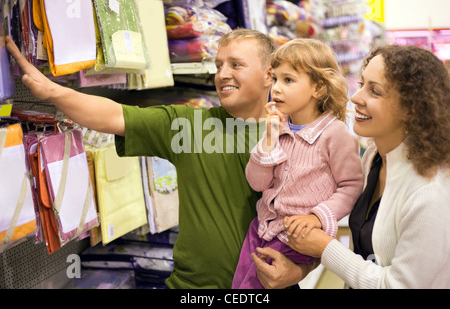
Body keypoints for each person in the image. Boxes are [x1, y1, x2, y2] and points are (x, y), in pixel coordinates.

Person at [6, 29, 313, 288]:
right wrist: (51, 91)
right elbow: (115, 116)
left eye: (236, 64)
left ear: (268, 75)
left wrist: (299, 271)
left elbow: (318, 224)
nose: (222, 74)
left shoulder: (301, 138)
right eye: (219, 64)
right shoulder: (189, 126)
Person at [285, 45, 450, 288]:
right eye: (362, 83)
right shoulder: (374, 156)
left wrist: (324, 247)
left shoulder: (429, 193)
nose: (356, 97)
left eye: (374, 91)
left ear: (410, 108)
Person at [232, 38, 363, 289]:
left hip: (297, 235)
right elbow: (258, 182)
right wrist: (268, 140)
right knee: (240, 285)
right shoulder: (276, 127)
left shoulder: (335, 135)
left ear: (319, 88)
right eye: (276, 79)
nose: (277, 88)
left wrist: (316, 217)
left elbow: (351, 187)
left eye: (288, 80)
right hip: (262, 226)